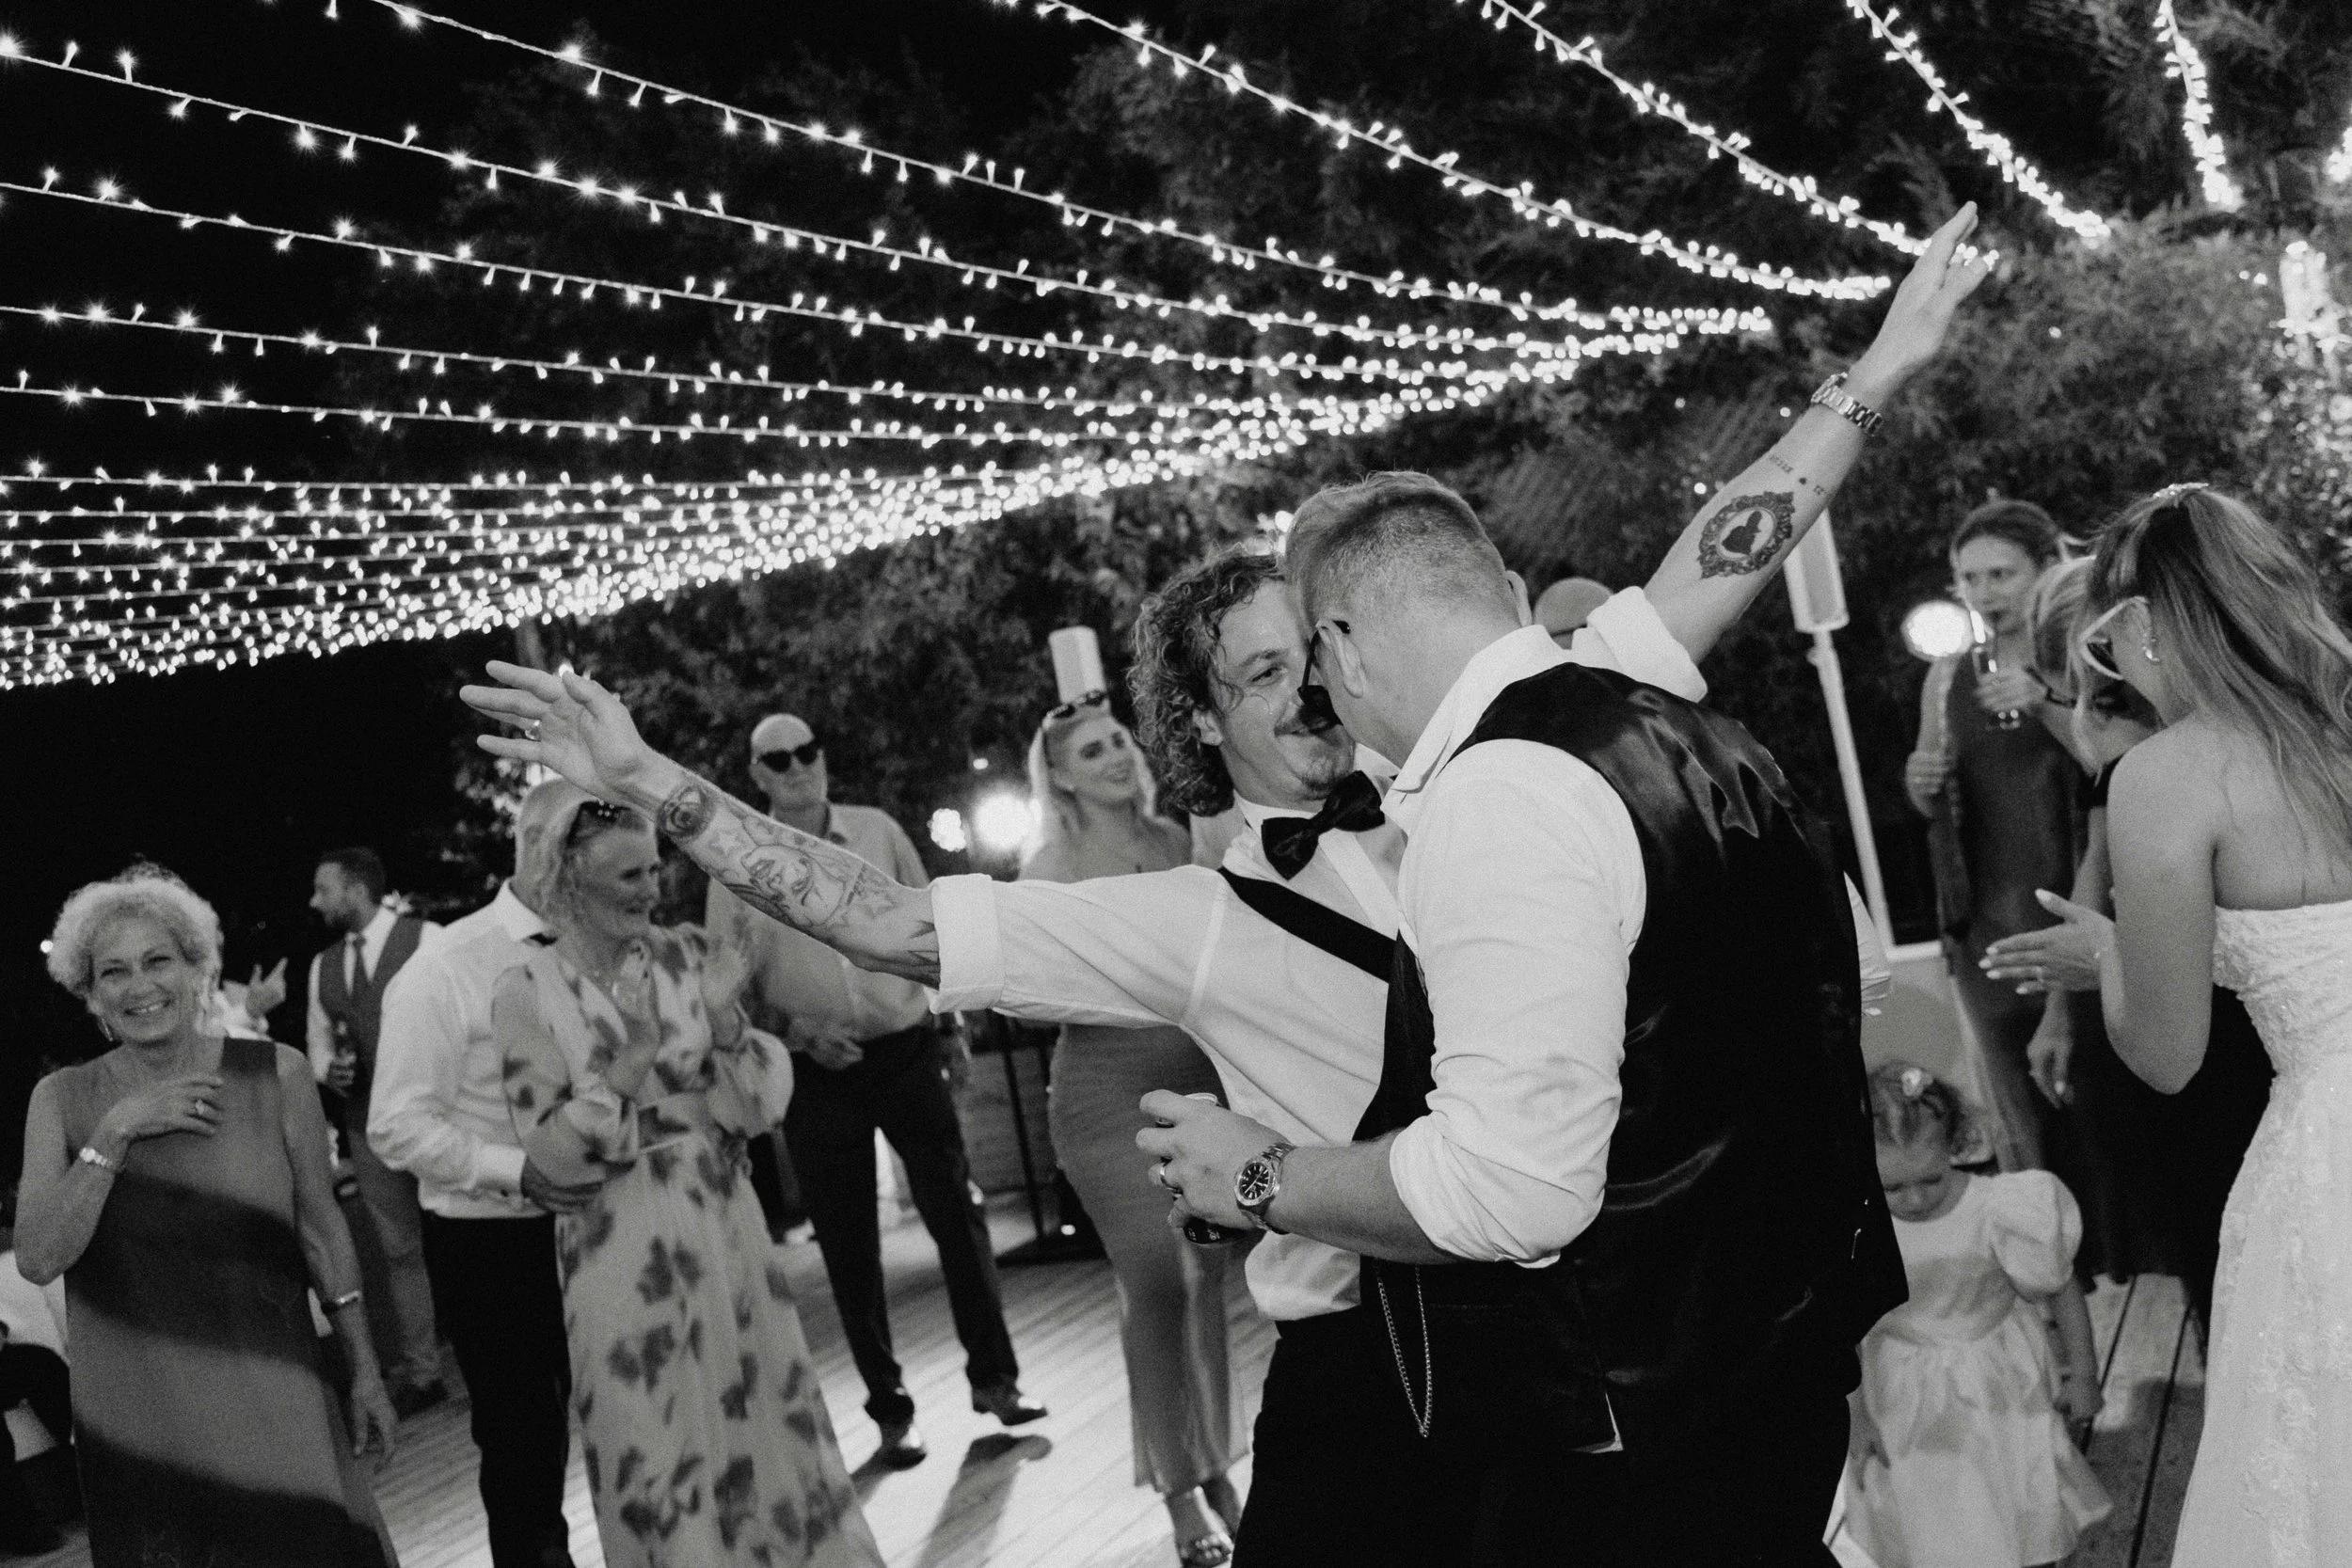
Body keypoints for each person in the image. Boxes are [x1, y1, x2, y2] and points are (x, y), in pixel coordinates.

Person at [460, 203, 1992, 1566]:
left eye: (1320, 646)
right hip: (1379, 1374)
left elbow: (1730, 540)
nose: (1313, 694)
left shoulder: (1532, 739)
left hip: (1630, 1369)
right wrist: (663, 784)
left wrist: (1877, 372)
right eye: (1272, 670)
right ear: (1204, 715)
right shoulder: (1195, 919)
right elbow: (895, 920)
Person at [2007, 485, 2352, 1566]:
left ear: (2145, 620)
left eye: (2106, 629)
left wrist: (2107, 950)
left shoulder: (2169, 773)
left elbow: (2166, 1054)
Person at [494, 784, 879, 1568]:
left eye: (653, 869)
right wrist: (627, 1069)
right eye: (628, 875)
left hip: (719, 1215)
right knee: (653, 1437)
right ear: (567, 878)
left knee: (760, 1412)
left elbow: (761, 1103)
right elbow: (551, 1155)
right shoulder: (524, 993)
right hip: (615, 1241)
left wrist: (729, 1021)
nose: (651, 889)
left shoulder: (691, 954)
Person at [18, 866, 398, 1567]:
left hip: (279, 1401)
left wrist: (366, 1368)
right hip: (144, 1425)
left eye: (159, 960)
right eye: (114, 972)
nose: (141, 986)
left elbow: (321, 1229)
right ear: (90, 994)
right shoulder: (62, 1099)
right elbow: (40, 1256)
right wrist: (114, 1134)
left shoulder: (276, 1074)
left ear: (198, 969)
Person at [705, 714, 1040, 1469]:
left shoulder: (877, 830)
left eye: (808, 750)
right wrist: (796, 1032)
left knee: (959, 1217)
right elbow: (724, 992)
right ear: (756, 774)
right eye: (777, 758)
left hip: (905, 1051)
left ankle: (998, 1381)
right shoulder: (734, 862)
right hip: (817, 1074)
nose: (797, 766)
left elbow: (934, 931)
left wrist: (953, 1030)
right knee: (850, 1250)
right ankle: (891, 1414)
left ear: (824, 756)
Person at [1980, 562, 2273, 1329]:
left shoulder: (2202, 746)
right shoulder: (2139, 747)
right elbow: (2096, 859)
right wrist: (2061, 1005)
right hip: (2169, 991)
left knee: (2227, 1226)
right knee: (2207, 1230)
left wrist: (2105, 962)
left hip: (2227, 1013)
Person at [1020, 697, 1248, 1566]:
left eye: (1119, 738)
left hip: (1193, 1085)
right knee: (1156, 1279)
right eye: (1092, 749)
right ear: (1064, 776)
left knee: (1203, 1281)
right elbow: (1030, 984)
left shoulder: (1172, 838)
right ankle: (1180, 1490)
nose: (1116, 753)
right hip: (1106, 1097)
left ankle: (1216, 1461)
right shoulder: (1050, 863)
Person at [372, 783, 595, 1568]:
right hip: (493, 1244)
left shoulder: (619, 949)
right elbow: (395, 1122)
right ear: (541, 850)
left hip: (614, 1229)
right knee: (525, 1444)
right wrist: (517, 1172)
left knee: (639, 1414)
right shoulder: (446, 967)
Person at [1846, 1062, 2109, 1568]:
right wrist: (1856, 1421)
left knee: (2015, 1484)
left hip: (2000, 1380)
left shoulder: (2002, 1208)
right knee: (1935, 1502)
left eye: (1931, 1178)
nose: (1916, 1199)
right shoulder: (1857, 1229)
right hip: (1904, 1390)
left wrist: (2085, 1374)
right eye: (1893, 1188)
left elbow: (2061, 1291)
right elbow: (1849, 1334)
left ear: (1955, 1146)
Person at [1904, 499, 2083, 1171]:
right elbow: (1927, 799)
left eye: (2001, 574)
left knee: (2097, 1098)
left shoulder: (2076, 655)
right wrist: (1918, 777)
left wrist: (2042, 701)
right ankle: (2059, 1259)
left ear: (2044, 568)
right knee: (2021, 1115)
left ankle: (2134, 1263)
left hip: (2081, 905)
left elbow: (2114, 766)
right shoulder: (1948, 671)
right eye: (1969, 579)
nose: (1984, 593)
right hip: (1986, 924)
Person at [305, 847, 447, 1416]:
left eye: (323, 889)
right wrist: (328, 1071)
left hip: (441, 1119)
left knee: (466, 1233)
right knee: (398, 1251)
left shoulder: (430, 939)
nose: (314, 902)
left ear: (356, 889)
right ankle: (424, 1370)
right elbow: (317, 1045)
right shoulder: (323, 967)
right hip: (369, 1127)